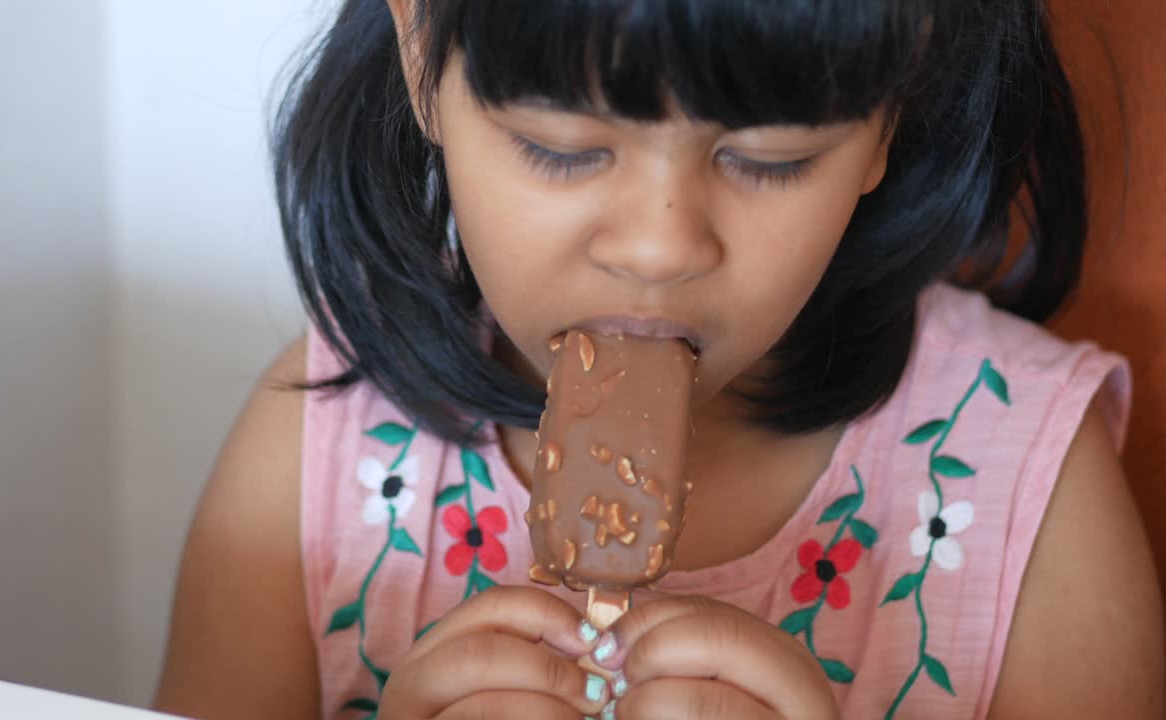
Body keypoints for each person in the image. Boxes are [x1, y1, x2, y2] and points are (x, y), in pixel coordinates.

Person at [152, 1, 1164, 718]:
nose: (658, 246)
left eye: (768, 159)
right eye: (561, 145)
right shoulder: (318, 453)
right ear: (420, 52)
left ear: (890, 111)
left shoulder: (1018, 475)